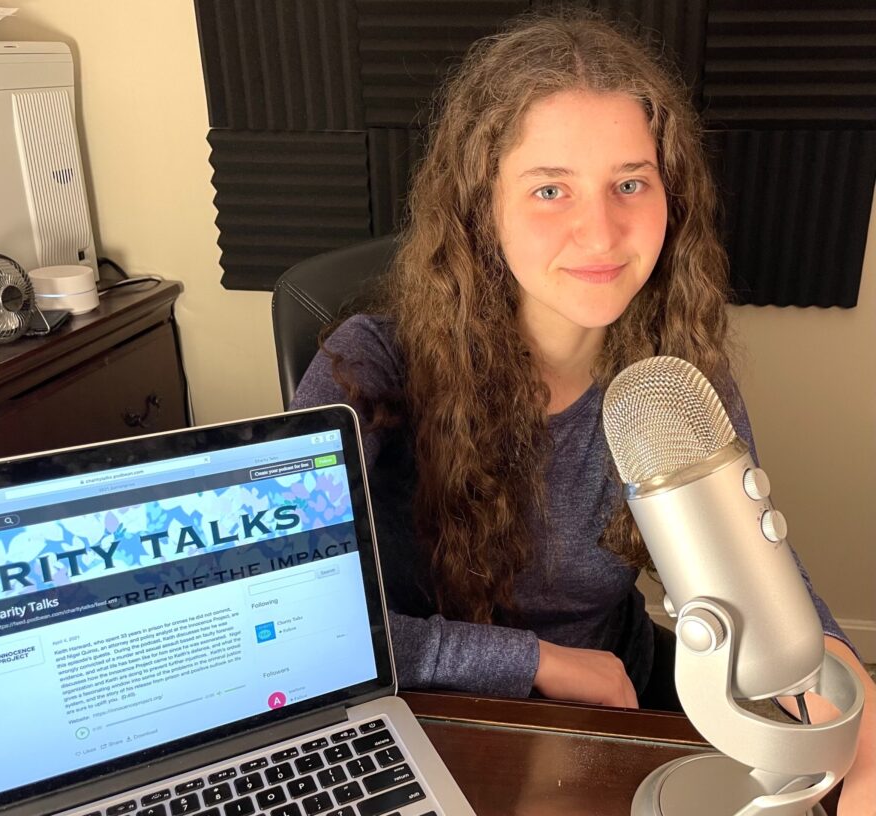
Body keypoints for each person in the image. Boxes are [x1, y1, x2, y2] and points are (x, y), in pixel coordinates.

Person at [290, 13, 875, 811]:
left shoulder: (673, 371)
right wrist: (534, 661)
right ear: (480, 204)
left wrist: (838, 689)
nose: (601, 230)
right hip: (433, 720)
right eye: (550, 188)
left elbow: (753, 568)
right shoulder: (368, 368)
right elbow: (301, 623)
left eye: (630, 182)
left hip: (621, 705)